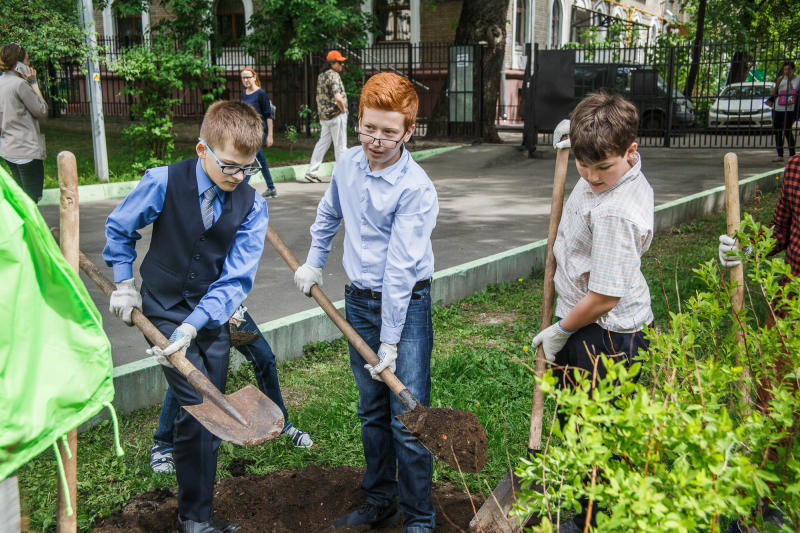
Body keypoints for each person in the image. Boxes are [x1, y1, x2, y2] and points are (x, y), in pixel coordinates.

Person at [103, 100, 268, 533]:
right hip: (159, 304)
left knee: (208, 401)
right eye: (229, 166)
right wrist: (125, 284)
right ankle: (195, 519)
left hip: (210, 312)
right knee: (200, 404)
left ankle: (186, 488)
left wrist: (196, 323)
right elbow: (121, 228)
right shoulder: (162, 181)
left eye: (247, 169)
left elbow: (235, 279)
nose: (237, 177)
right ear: (202, 150)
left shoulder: (252, 204)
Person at [293, 72, 439, 533]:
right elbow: (329, 213)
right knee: (371, 410)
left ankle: (419, 519)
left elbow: (399, 271)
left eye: (389, 132)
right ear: (358, 119)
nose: (376, 140)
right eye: (368, 128)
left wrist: (391, 342)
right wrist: (314, 263)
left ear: (409, 132)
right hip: (357, 303)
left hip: (406, 308)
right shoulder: (349, 165)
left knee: (409, 417)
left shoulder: (415, 188)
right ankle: (381, 500)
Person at [530, 92, 654, 533]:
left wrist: (561, 330)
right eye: (584, 165)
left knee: (594, 432)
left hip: (605, 335)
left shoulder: (618, 211)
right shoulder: (602, 160)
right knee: (576, 423)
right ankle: (576, 505)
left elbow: (605, 296)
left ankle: (588, 520)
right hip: (586, 321)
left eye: (603, 168)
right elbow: (593, 143)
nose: (591, 176)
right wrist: (574, 134)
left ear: (631, 152)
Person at [149, 305, 313, 474]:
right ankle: (163, 443)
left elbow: (235, 279)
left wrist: (234, 307)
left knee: (264, 357)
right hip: (193, 310)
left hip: (226, 304)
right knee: (189, 372)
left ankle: (281, 424)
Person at [0, 43, 48, 203]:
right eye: (26, 61)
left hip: (9, 150)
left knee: (22, 199)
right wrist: (33, 83)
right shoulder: (20, 85)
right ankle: (33, 228)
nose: (29, 65)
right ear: (18, 63)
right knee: (32, 199)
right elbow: (41, 110)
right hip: (26, 150)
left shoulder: (2, 82)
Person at [304, 50, 348, 183]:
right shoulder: (333, 75)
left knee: (322, 144)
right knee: (340, 145)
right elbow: (337, 97)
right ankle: (342, 175)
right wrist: (344, 110)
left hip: (324, 116)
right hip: (336, 115)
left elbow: (318, 97)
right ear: (332, 63)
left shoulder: (321, 75)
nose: (342, 65)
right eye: (340, 63)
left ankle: (312, 171)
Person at [240, 67, 277, 198]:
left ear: (254, 77)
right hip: (248, 132)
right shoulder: (244, 94)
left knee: (250, 158)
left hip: (259, 132)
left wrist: (270, 135)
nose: (246, 80)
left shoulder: (261, 93)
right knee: (260, 159)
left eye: (248, 77)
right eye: (243, 78)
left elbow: (268, 115)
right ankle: (271, 187)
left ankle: (242, 188)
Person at [767, 61, 798, 163]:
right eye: (785, 69)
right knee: (777, 131)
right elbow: (773, 93)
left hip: (789, 109)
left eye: (788, 69)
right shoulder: (780, 79)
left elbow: (795, 93)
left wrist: (790, 83)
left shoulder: (798, 79)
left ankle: (792, 154)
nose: (786, 72)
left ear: (793, 70)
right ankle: (780, 154)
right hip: (777, 107)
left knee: (787, 131)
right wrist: (778, 83)